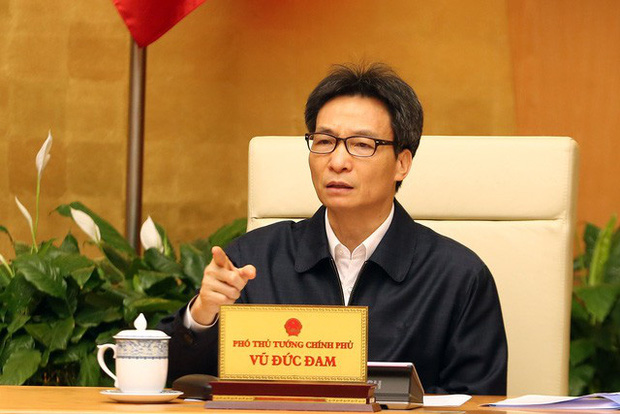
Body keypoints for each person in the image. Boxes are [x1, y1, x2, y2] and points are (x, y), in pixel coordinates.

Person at [158, 63, 508, 394]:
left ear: (402, 163)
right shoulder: (252, 261)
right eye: (324, 141)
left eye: (362, 145)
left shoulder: (458, 276)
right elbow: (177, 384)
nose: (337, 162)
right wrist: (202, 315)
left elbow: (478, 402)